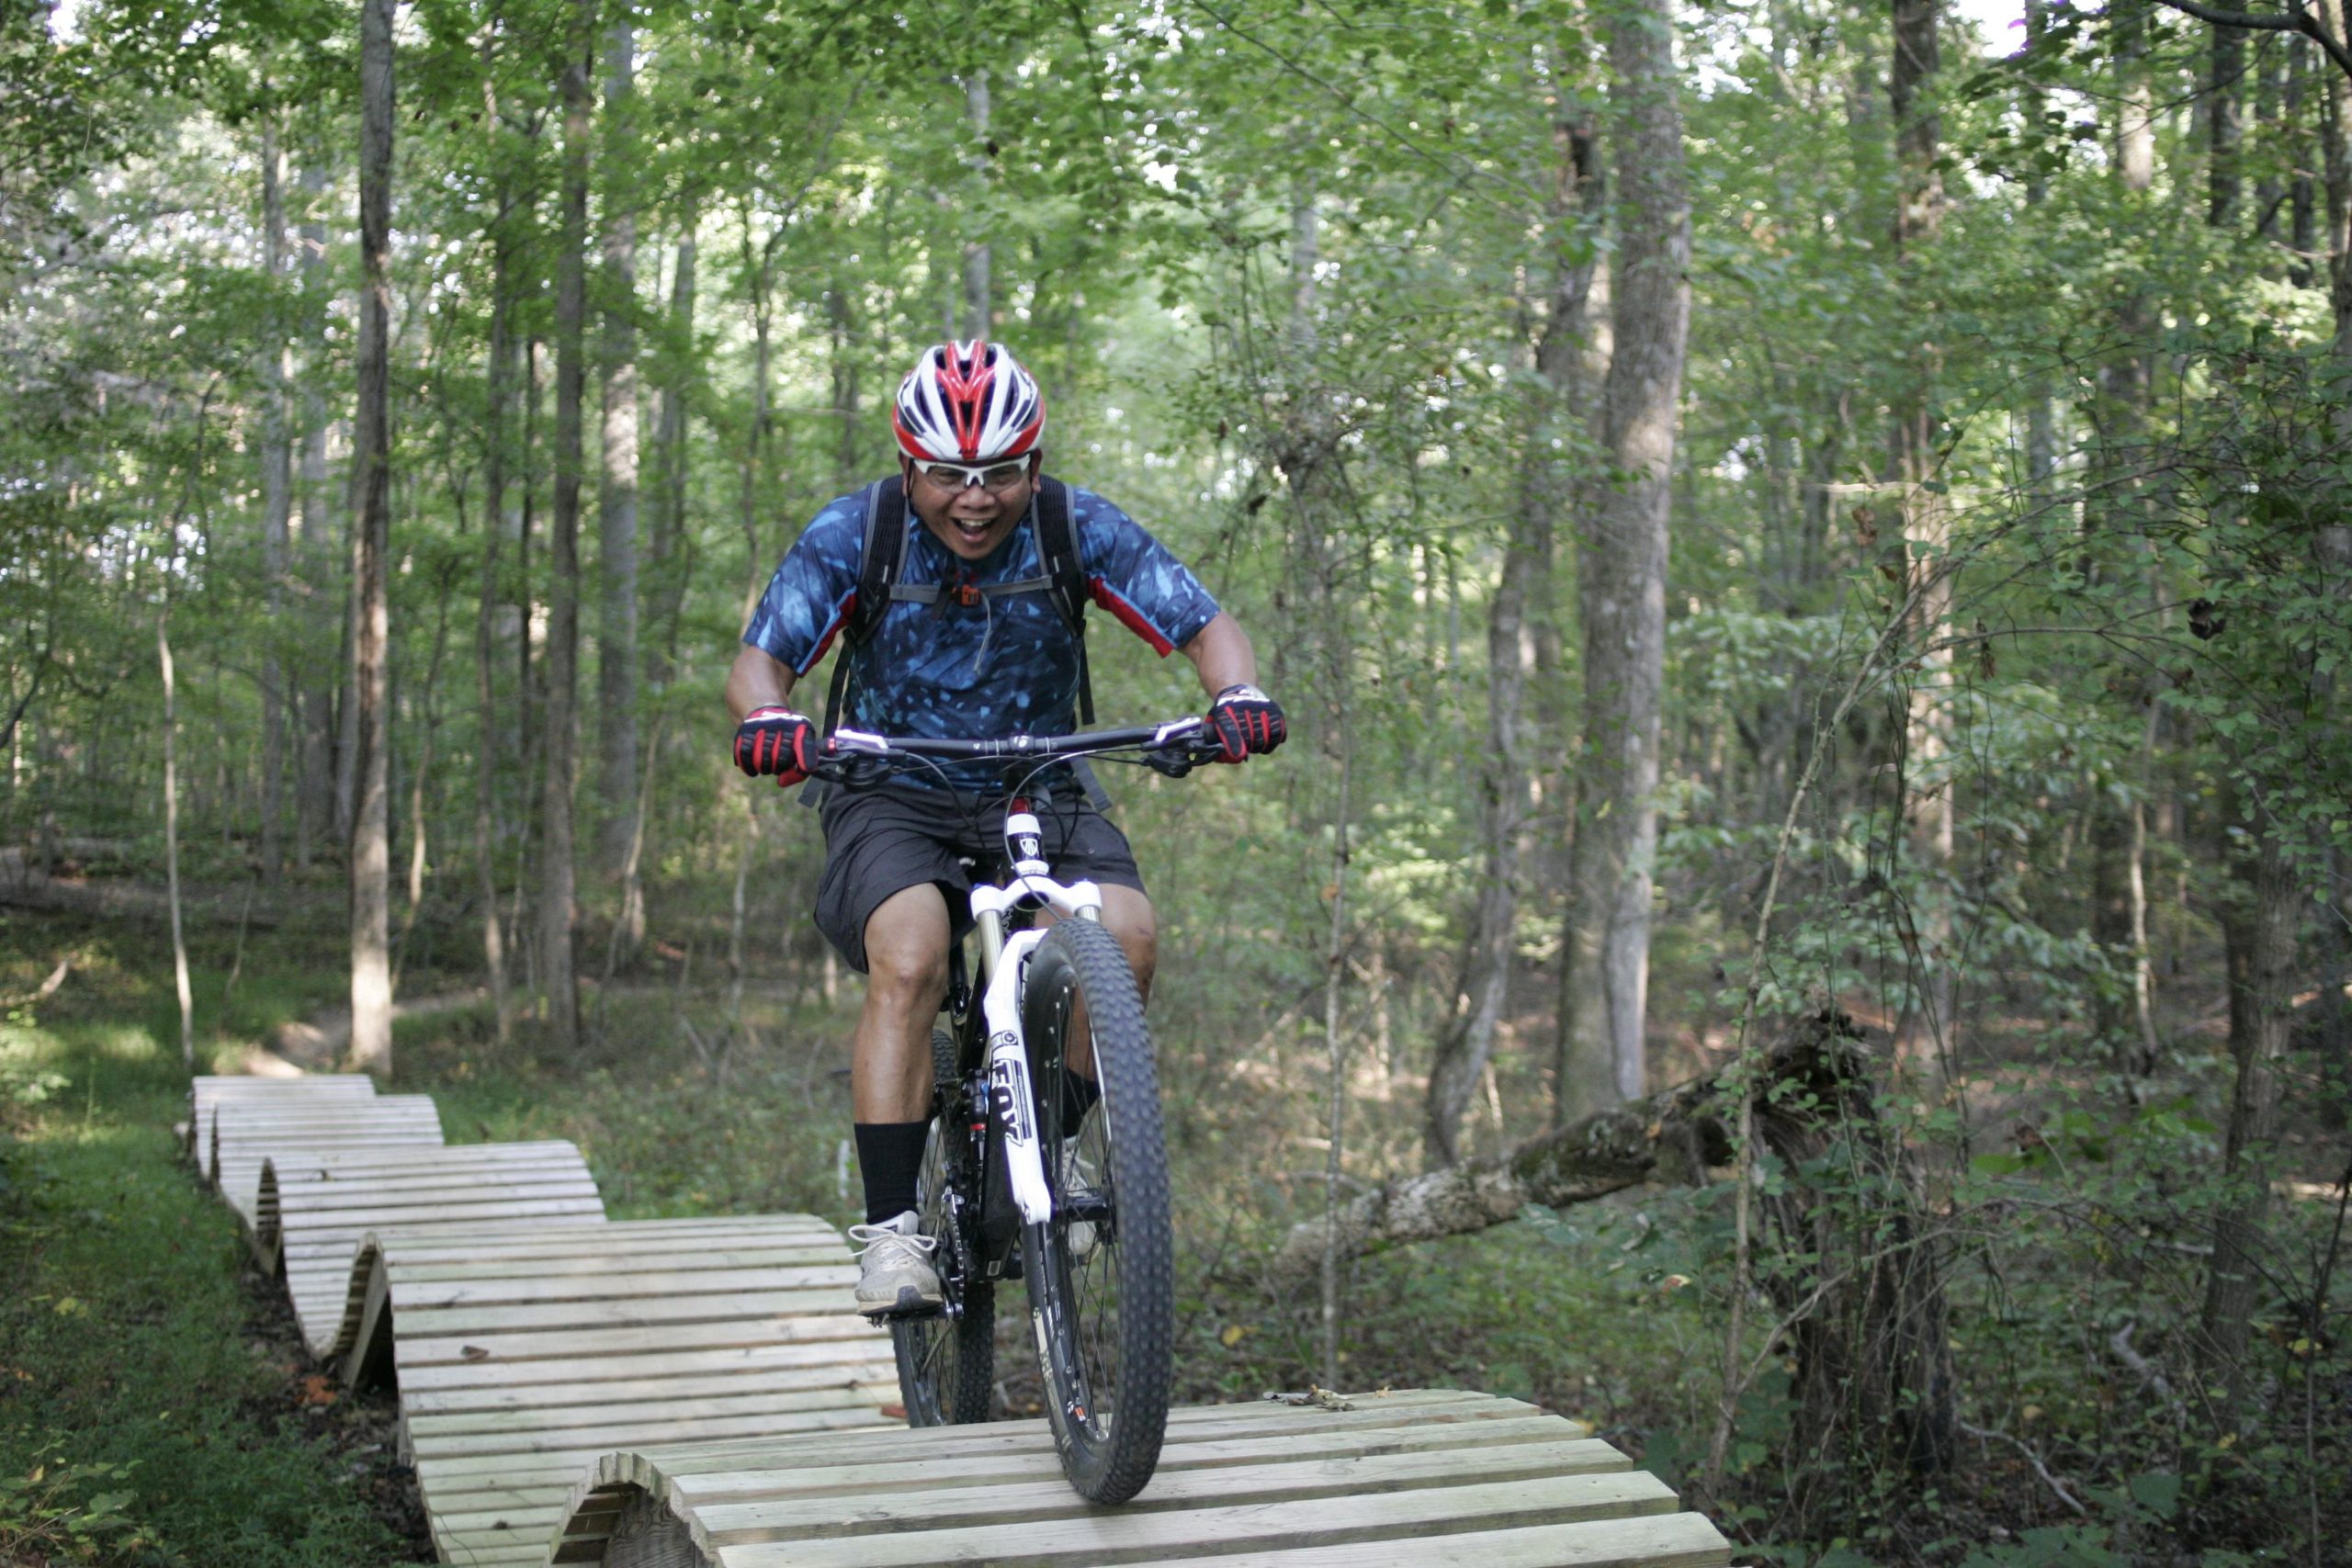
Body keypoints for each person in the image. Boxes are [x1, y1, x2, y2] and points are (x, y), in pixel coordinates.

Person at [724, 340, 1285, 1315]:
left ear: (1033, 463)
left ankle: (1056, 1151)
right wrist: (770, 721)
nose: (973, 500)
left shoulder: (1075, 526)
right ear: (910, 466)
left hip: (1041, 783)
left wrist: (1235, 692)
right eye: (947, 475)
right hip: (889, 784)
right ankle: (893, 1234)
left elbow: (1204, 625)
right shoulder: (855, 533)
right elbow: (758, 664)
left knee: (1129, 936)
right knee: (911, 953)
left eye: (999, 475)